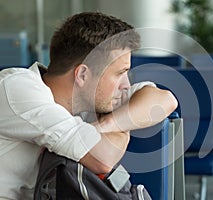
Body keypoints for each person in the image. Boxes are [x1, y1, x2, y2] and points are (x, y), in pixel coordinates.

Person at [0, 12, 178, 199]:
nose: (125, 84)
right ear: (83, 75)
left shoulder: (91, 101)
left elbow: (164, 100)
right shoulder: (18, 89)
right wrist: (123, 123)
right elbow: (103, 158)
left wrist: (108, 124)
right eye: (120, 73)